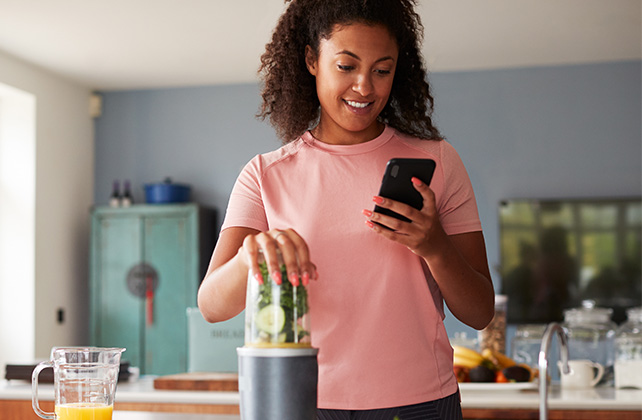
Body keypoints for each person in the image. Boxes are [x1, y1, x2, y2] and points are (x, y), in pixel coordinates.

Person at [197, 0, 495, 418]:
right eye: (346, 66)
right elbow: (211, 305)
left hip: (420, 402)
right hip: (301, 401)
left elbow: (480, 312)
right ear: (311, 60)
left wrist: (434, 246)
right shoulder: (265, 174)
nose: (364, 87)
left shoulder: (439, 162)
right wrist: (252, 256)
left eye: (382, 69)